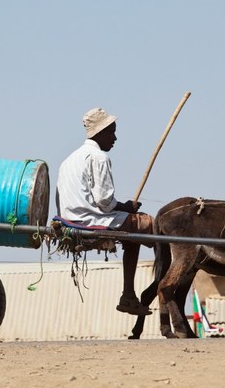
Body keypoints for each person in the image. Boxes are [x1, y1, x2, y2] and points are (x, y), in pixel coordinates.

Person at [56, 108, 154, 316]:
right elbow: (104, 201)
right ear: (100, 133)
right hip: (90, 219)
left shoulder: (69, 160)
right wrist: (127, 207)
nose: (115, 138)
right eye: (112, 133)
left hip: (72, 217)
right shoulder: (99, 157)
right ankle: (163, 288)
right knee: (152, 226)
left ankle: (129, 295)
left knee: (133, 237)